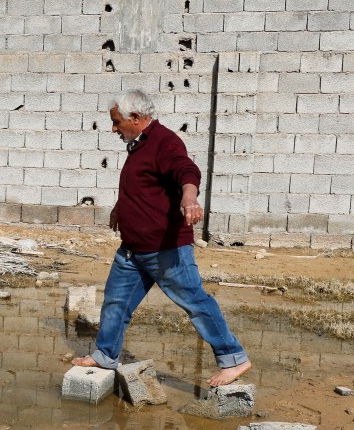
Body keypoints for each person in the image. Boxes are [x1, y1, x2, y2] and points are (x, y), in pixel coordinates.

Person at [72, 89, 251, 388]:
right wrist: (121, 208)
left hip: (165, 250)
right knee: (115, 303)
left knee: (196, 303)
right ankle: (105, 354)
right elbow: (143, 186)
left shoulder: (165, 142)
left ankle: (234, 358)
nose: (113, 128)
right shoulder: (139, 145)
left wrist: (189, 198)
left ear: (135, 118)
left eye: (116, 122)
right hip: (133, 250)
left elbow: (186, 170)